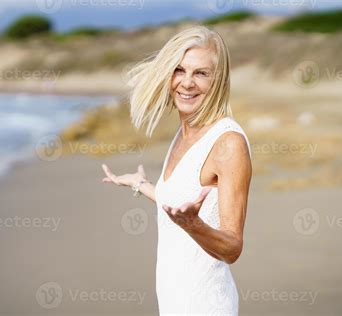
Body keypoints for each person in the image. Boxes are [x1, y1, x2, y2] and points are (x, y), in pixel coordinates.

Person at [101, 25, 252, 315]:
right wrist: (141, 185)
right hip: (174, 302)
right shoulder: (184, 133)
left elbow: (232, 248)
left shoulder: (228, 144)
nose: (187, 83)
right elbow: (183, 205)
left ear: (219, 80)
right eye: (179, 70)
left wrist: (192, 225)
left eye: (201, 73)